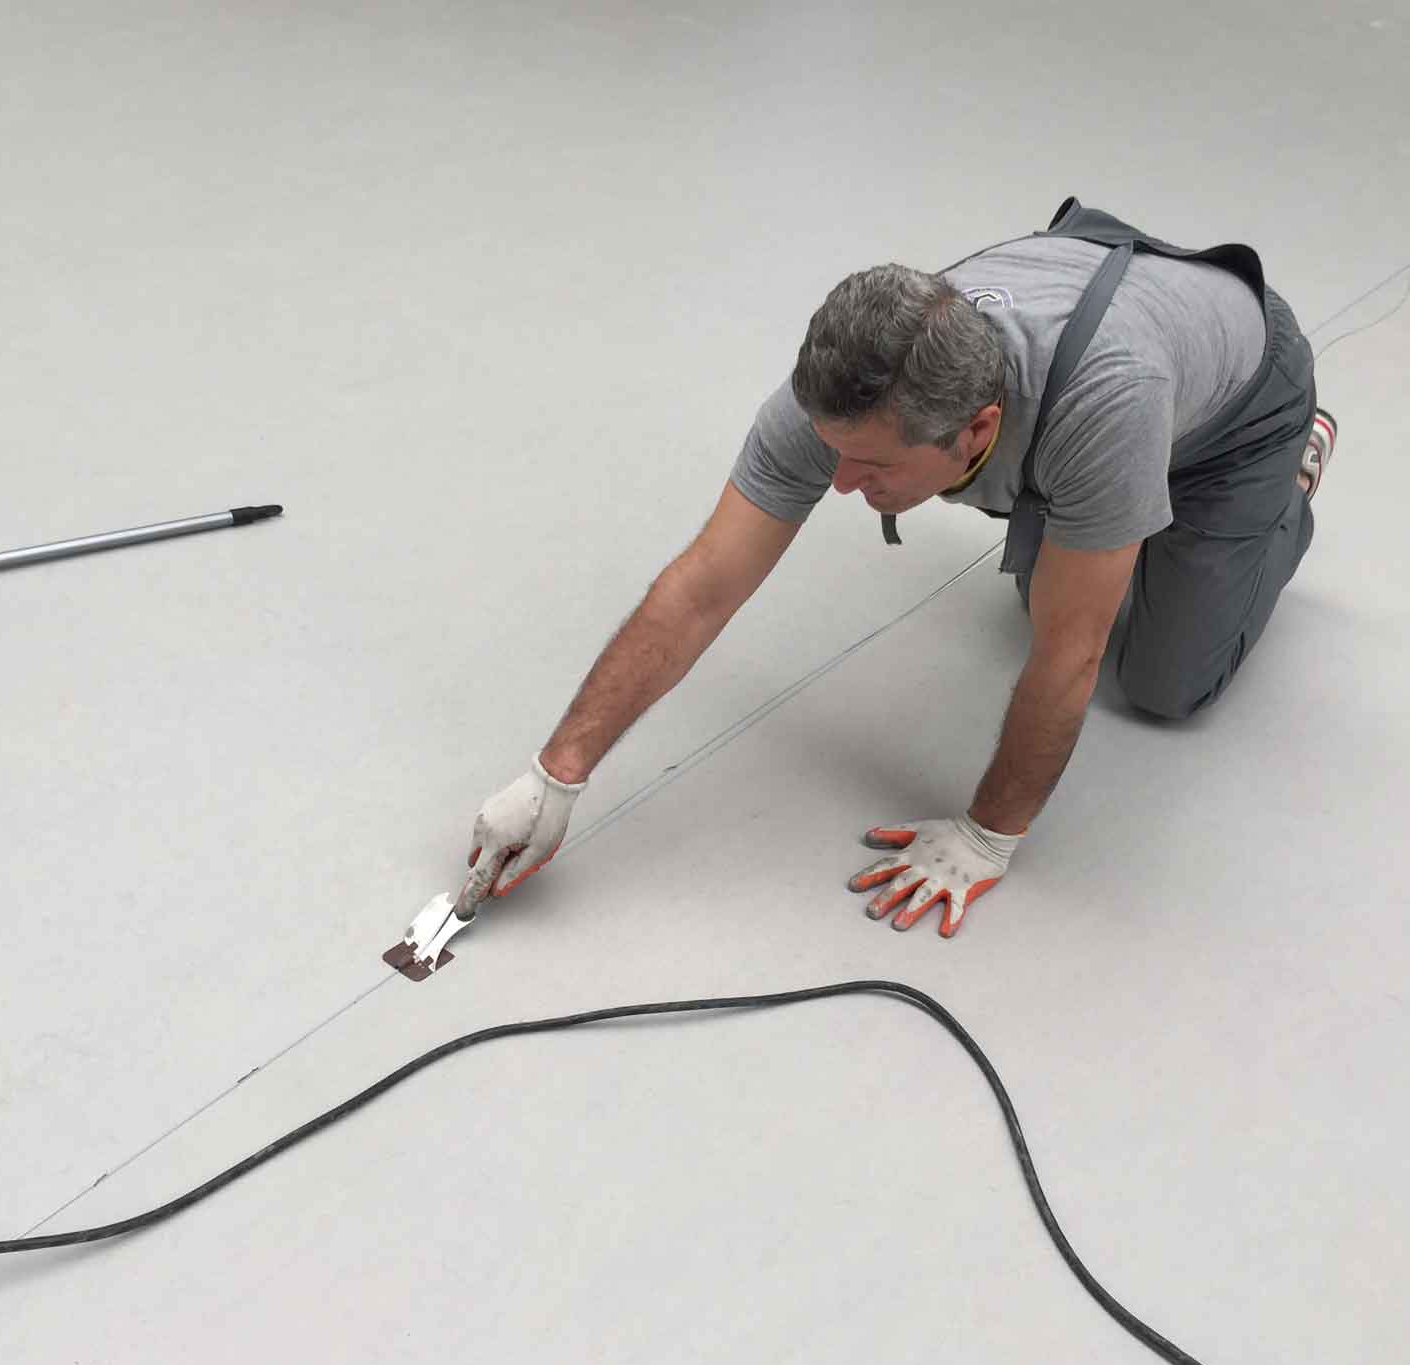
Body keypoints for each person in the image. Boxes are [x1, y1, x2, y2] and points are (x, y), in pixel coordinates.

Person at [452, 198, 1336, 940]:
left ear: (977, 430)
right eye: (835, 453)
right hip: (1110, 346)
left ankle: (1287, 486)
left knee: (1161, 681)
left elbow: (1070, 655)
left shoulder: (1107, 403)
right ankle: (1125, 515)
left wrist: (989, 834)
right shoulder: (847, 397)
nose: (838, 483)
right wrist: (555, 775)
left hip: (1236, 408)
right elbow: (702, 586)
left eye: (871, 466)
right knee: (1043, 591)